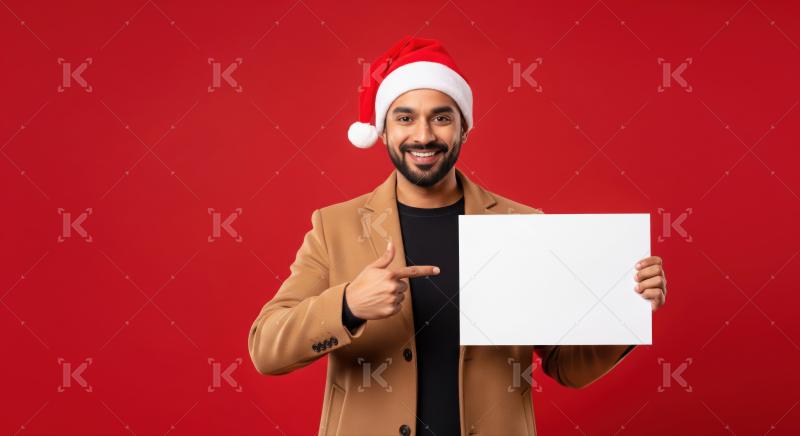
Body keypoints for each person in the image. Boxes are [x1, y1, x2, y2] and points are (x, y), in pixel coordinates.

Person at [248, 35, 667, 436]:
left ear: (464, 128)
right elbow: (266, 349)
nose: (424, 135)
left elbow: (566, 367)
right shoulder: (334, 227)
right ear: (383, 130)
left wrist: (625, 310)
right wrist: (348, 305)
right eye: (405, 118)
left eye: (441, 117)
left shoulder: (521, 225)